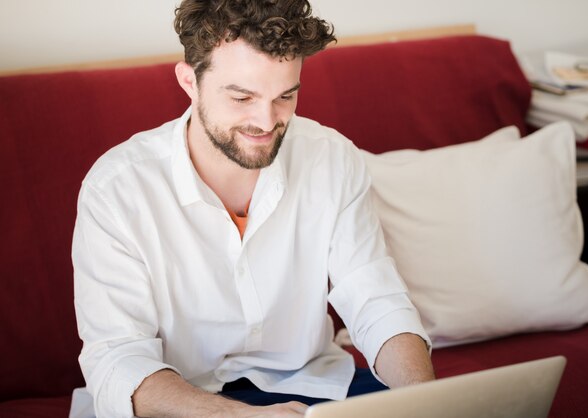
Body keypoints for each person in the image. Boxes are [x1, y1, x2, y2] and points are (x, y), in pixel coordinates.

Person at [71, 0, 435, 416]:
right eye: (242, 97)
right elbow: (119, 359)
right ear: (189, 82)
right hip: (179, 403)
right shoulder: (116, 189)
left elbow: (376, 300)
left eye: (285, 96)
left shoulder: (332, 158)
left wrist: (426, 402)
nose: (266, 121)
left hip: (313, 383)